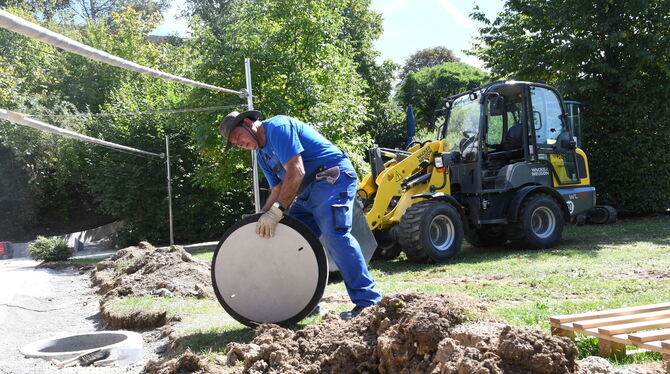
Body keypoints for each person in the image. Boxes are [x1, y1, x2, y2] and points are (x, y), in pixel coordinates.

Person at [219, 110, 382, 320]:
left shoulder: (278, 127)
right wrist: (260, 217)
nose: (239, 144)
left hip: (332, 176)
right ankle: (305, 304)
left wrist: (276, 211)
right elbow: (277, 190)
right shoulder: (262, 155)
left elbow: (296, 172)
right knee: (289, 240)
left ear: (249, 123)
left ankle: (368, 302)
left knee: (335, 234)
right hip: (306, 191)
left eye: (238, 137)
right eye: (234, 143)